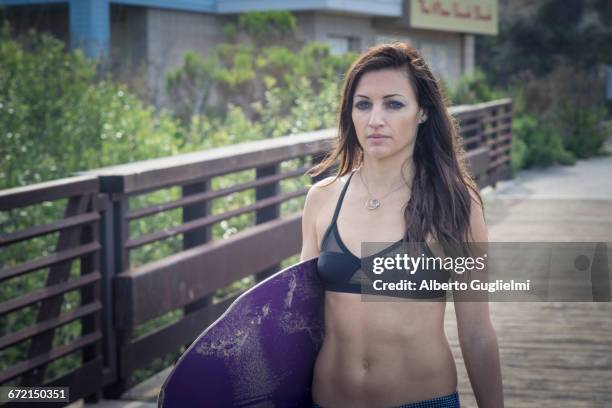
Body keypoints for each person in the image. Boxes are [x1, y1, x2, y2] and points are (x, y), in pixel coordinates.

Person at [300, 42, 504, 408]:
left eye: (393, 104)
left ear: (422, 112)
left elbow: (475, 331)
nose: (375, 119)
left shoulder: (456, 203)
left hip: (422, 401)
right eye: (363, 104)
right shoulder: (322, 198)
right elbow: (298, 316)